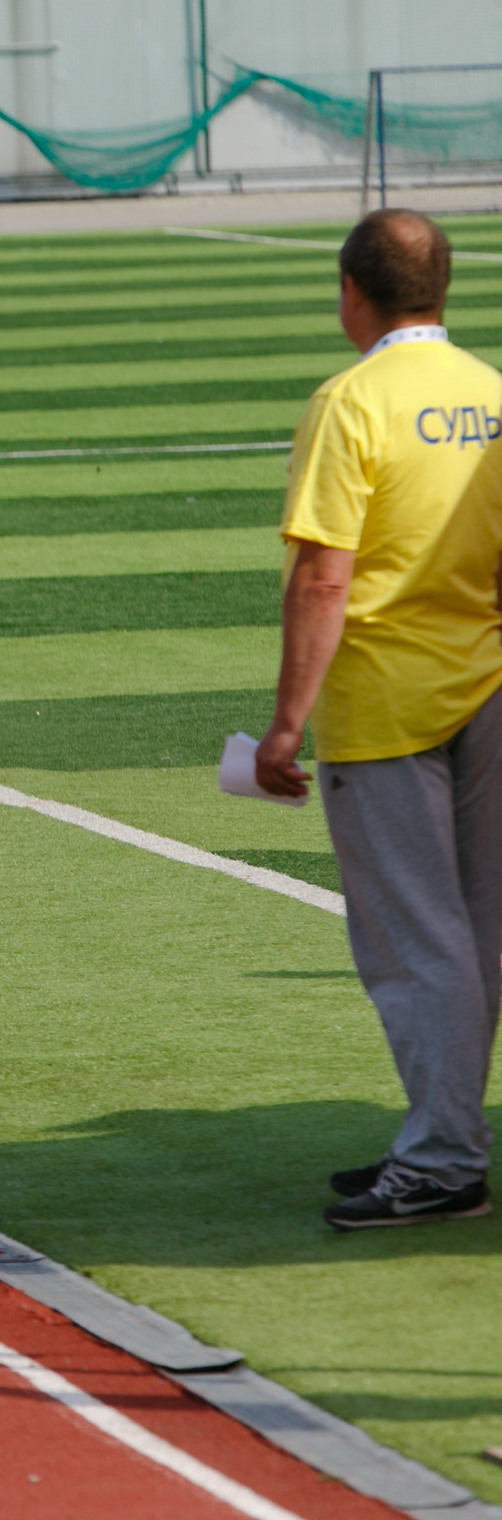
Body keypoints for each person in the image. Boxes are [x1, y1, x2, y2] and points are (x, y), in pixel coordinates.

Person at [256, 210, 502, 1231]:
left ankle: (443, 1156)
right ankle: (444, 1137)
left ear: (351, 292)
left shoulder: (349, 402)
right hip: (485, 685)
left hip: (384, 704)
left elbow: (323, 578)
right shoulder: (488, 393)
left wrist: (282, 727)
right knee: (479, 933)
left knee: (414, 942)